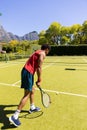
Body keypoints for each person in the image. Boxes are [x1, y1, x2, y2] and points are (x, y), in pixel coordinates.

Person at [9, 44, 51, 127]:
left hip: (27, 72)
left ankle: (32, 107)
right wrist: (39, 79)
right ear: (46, 49)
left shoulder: (37, 52)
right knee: (27, 95)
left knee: (32, 90)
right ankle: (15, 116)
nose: (47, 53)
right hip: (28, 72)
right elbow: (39, 67)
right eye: (48, 51)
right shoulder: (42, 54)